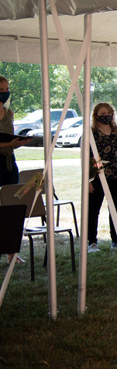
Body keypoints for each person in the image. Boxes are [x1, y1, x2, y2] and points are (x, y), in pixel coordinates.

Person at [87, 103, 117, 252]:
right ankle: (91, 241)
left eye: (108, 112)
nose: (106, 115)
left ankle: (116, 240)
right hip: (98, 175)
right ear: (96, 115)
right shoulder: (91, 133)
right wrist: (89, 180)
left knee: (115, 209)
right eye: (102, 113)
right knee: (94, 209)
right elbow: (88, 157)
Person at [0, 75, 32, 263]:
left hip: (9, 161)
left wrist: (19, 143)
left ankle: (12, 251)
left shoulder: (9, 113)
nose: (4, 93)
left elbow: (10, 141)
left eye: (6, 90)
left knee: (12, 204)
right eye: (1, 90)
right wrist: (8, 144)